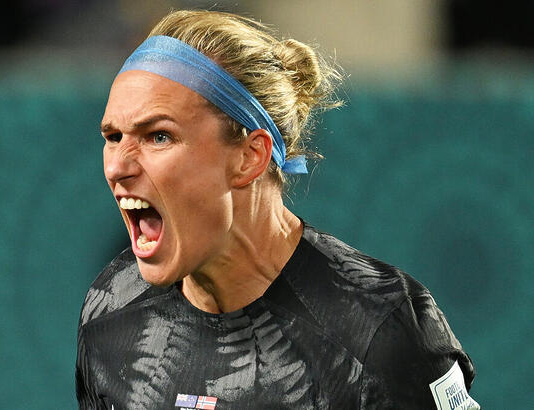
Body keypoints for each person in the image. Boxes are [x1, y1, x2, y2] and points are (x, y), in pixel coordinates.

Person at [76, 10, 479, 410]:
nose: (117, 166)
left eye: (158, 135)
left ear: (250, 157)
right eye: (113, 136)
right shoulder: (110, 309)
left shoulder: (383, 333)